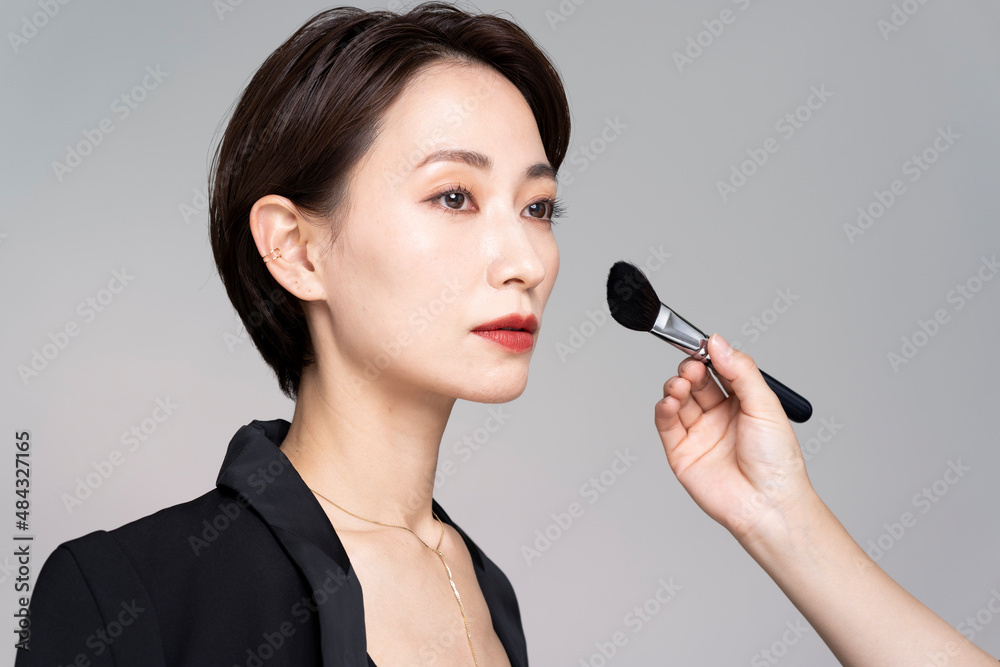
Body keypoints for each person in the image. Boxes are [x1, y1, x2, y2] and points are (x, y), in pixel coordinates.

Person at [15, 3, 998, 666]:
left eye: (538, 208)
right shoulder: (127, 594)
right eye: (454, 195)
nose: (526, 258)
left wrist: (779, 517)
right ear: (297, 248)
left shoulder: (488, 594)